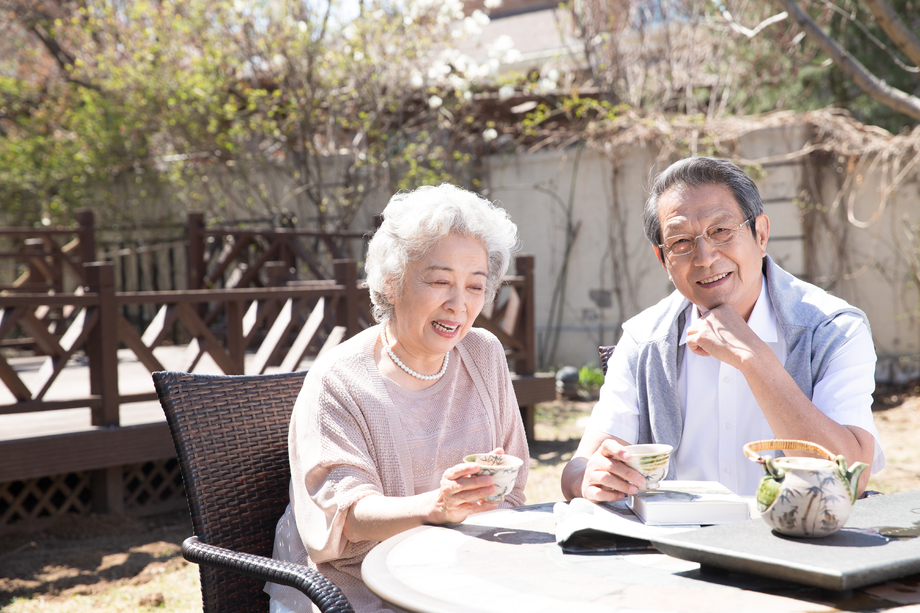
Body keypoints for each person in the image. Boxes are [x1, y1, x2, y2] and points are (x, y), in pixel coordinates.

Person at [265, 183, 529, 612]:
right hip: (355, 592)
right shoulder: (339, 379)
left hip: (461, 576)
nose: (458, 304)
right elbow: (347, 517)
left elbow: (512, 487)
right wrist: (438, 506)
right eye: (440, 281)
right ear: (391, 283)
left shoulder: (484, 354)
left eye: (475, 286)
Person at [561, 156, 885, 502]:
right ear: (662, 259)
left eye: (720, 231)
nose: (704, 257)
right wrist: (589, 478)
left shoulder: (834, 329)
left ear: (761, 234)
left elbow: (848, 476)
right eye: (680, 242)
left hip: (792, 535)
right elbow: (579, 470)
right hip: (680, 536)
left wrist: (753, 357)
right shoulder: (644, 341)